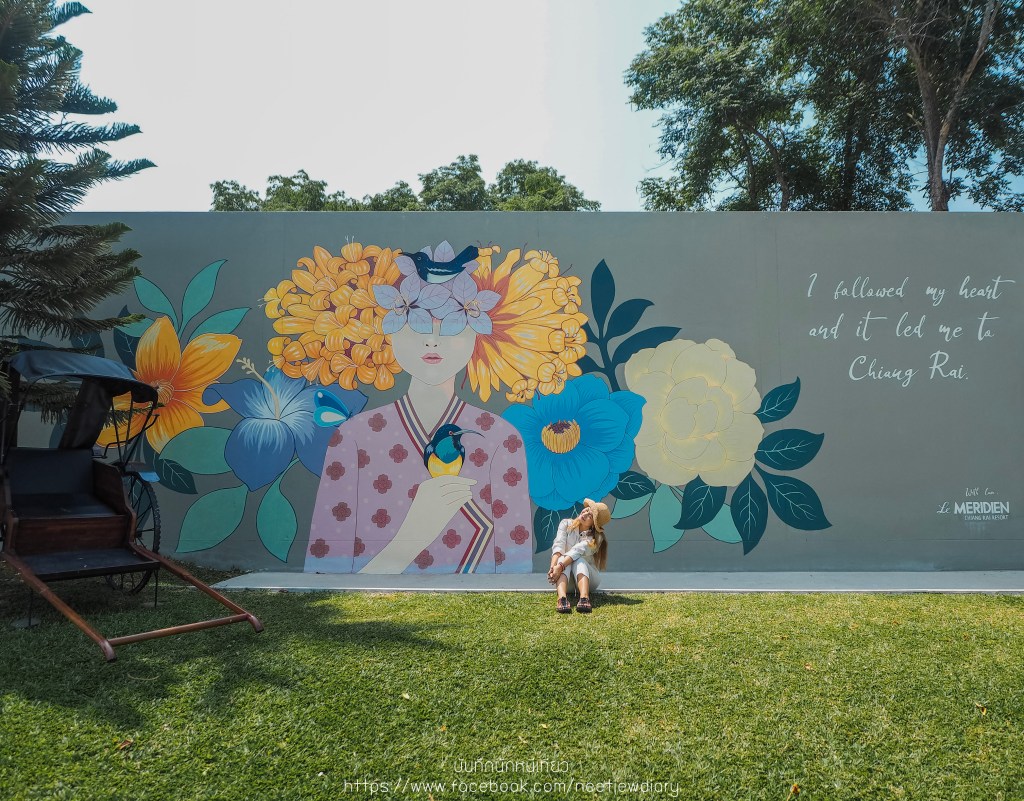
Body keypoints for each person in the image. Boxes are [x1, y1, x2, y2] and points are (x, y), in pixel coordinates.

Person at [264, 241, 588, 574]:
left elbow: (513, 569)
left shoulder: (500, 440)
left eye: (452, 326)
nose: (432, 340)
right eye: (414, 323)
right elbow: (325, 575)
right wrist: (412, 537)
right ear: (388, 334)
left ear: (477, 336)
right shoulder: (353, 438)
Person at [548, 498, 610, 613]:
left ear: (594, 524)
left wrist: (559, 567)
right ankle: (562, 599)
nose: (585, 514)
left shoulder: (597, 538)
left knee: (578, 559)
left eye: (590, 516)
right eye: (587, 510)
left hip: (589, 582)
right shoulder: (566, 524)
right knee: (562, 558)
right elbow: (558, 546)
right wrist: (553, 568)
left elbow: (577, 551)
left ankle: (584, 598)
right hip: (567, 581)